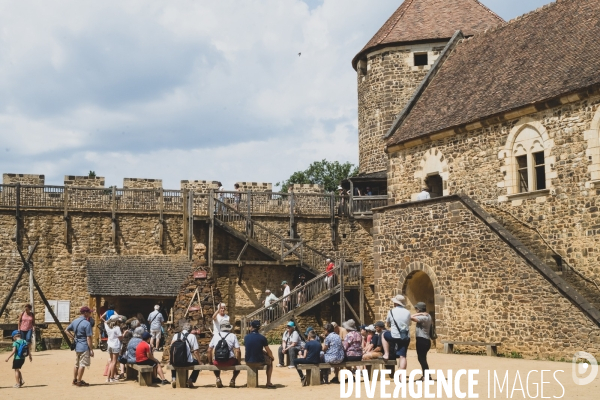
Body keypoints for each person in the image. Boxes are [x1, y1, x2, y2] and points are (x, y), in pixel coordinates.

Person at [66, 306, 95, 387]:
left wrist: (73, 338)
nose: (90, 314)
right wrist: (91, 350)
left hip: (77, 346)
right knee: (82, 364)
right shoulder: (87, 323)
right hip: (84, 346)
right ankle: (79, 381)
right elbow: (88, 338)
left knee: (76, 364)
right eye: (89, 312)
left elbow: (66, 330)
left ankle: (74, 380)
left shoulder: (75, 321)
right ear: (85, 313)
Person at [208, 321, 241, 388]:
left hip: (217, 362)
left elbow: (209, 350)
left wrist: (210, 362)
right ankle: (233, 380)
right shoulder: (232, 336)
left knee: (214, 362)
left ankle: (218, 378)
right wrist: (238, 361)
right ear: (229, 328)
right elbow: (238, 350)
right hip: (230, 361)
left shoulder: (216, 335)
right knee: (238, 366)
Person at [382, 295, 412, 371]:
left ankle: (386, 353)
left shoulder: (391, 311)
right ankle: (401, 377)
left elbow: (388, 323)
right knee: (403, 356)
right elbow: (409, 323)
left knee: (384, 334)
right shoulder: (408, 312)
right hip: (405, 336)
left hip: (394, 336)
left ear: (395, 303)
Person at [244, 320, 276, 389]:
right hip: (259, 362)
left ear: (251, 327)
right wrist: (271, 357)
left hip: (248, 361)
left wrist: (262, 351)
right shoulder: (262, 338)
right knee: (270, 362)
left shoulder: (246, 337)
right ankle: (268, 382)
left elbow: (252, 348)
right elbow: (268, 350)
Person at [170, 322, 201, 388]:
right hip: (187, 362)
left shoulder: (176, 335)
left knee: (173, 361)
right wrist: (200, 361)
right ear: (190, 330)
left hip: (176, 362)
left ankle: (173, 378)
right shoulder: (192, 336)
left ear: (182, 329)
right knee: (197, 364)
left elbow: (171, 348)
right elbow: (195, 351)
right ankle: (191, 379)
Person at [411, 302, 433, 380]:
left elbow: (410, 317)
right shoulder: (428, 316)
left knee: (422, 358)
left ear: (419, 309)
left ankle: (427, 376)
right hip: (425, 340)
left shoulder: (424, 317)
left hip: (422, 340)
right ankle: (426, 375)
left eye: (416, 308)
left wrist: (417, 314)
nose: (416, 310)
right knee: (422, 358)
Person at [105, 315, 126, 383]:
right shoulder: (117, 328)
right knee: (114, 362)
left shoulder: (107, 326)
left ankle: (108, 378)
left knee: (111, 361)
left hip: (109, 345)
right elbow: (120, 337)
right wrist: (124, 333)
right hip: (115, 345)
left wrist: (109, 320)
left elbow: (105, 322)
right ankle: (111, 377)